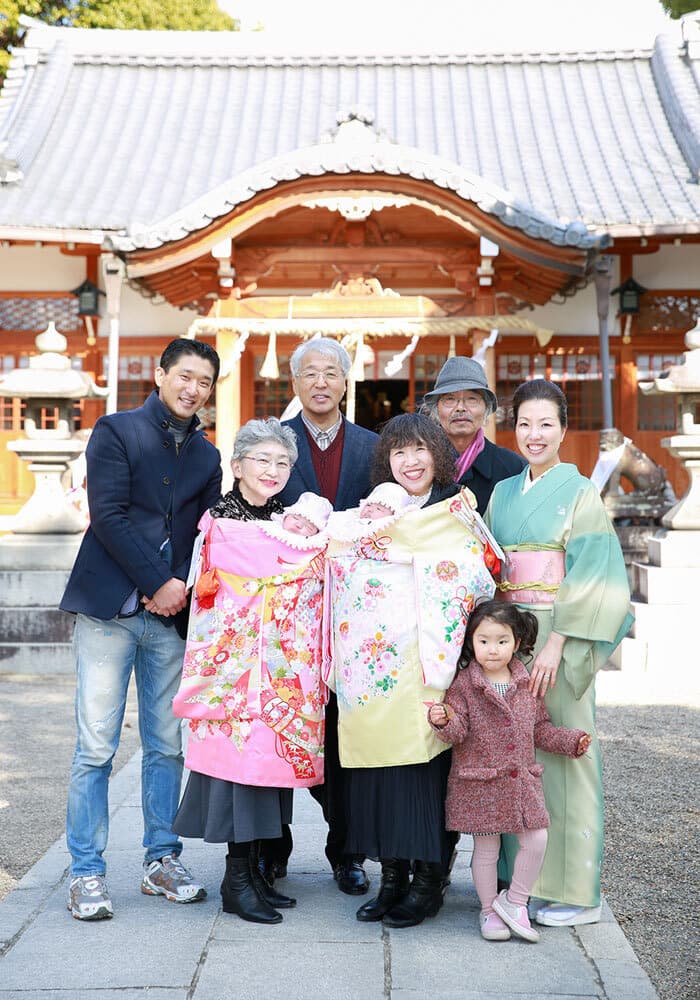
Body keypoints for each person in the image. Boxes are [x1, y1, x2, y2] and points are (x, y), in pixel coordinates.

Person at [59, 338, 221, 921]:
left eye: (203, 382)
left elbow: (206, 530)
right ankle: (86, 870)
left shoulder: (207, 455)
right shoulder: (116, 430)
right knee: (96, 746)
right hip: (110, 610)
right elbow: (108, 513)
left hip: (169, 619)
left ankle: (161, 859)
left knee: (166, 744)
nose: (192, 389)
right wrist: (159, 581)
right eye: (183, 376)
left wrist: (177, 584)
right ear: (160, 375)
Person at [327, 412, 495, 929]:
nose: (411, 461)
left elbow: (477, 570)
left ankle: (429, 880)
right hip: (378, 661)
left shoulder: (453, 511)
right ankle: (392, 876)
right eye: (399, 452)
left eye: (421, 449)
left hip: (427, 661)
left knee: (424, 772)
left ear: (438, 454)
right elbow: (342, 561)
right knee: (381, 773)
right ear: (387, 461)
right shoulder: (371, 515)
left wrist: (418, 567)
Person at [484, 379, 633, 927]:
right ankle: (526, 881)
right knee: (514, 756)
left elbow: (593, 573)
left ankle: (578, 890)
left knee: (566, 751)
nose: (534, 434)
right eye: (524, 423)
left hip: (558, 636)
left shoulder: (579, 493)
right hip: (509, 634)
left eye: (546, 423)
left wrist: (557, 642)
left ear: (563, 430)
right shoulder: (502, 493)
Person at [172, 418, 326, 924]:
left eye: (283, 462)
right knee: (240, 771)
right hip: (234, 675)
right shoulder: (222, 521)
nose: (273, 470)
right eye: (261, 460)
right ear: (236, 466)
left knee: (267, 769)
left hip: (276, 670)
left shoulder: (286, 520)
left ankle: (257, 873)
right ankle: (235, 878)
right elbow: (256, 575)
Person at [263, 338, 379, 895]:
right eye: (309, 373)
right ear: (295, 382)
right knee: (283, 721)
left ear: (345, 380)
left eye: (330, 373)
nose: (320, 383)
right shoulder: (272, 444)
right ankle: (272, 850)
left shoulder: (373, 446)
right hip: (290, 607)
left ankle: (348, 851)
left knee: (344, 729)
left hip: (354, 609)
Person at [428, 600, 591, 944]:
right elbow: (457, 732)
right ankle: (488, 909)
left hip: (521, 784)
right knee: (486, 850)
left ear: (517, 643)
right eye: (483, 641)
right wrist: (443, 720)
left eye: (502, 641)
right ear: (471, 642)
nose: (492, 649)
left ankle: (515, 901)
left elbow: (540, 729)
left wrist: (570, 740)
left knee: (537, 838)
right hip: (480, 783)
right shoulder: (463, 686)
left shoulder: (525, 681)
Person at [422, 356, 525, 513]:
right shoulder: (419, 464)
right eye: (450, 399)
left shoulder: (513, 468)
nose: (461, 408)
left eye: (472, 399)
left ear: (486, 408)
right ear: (436, 409)